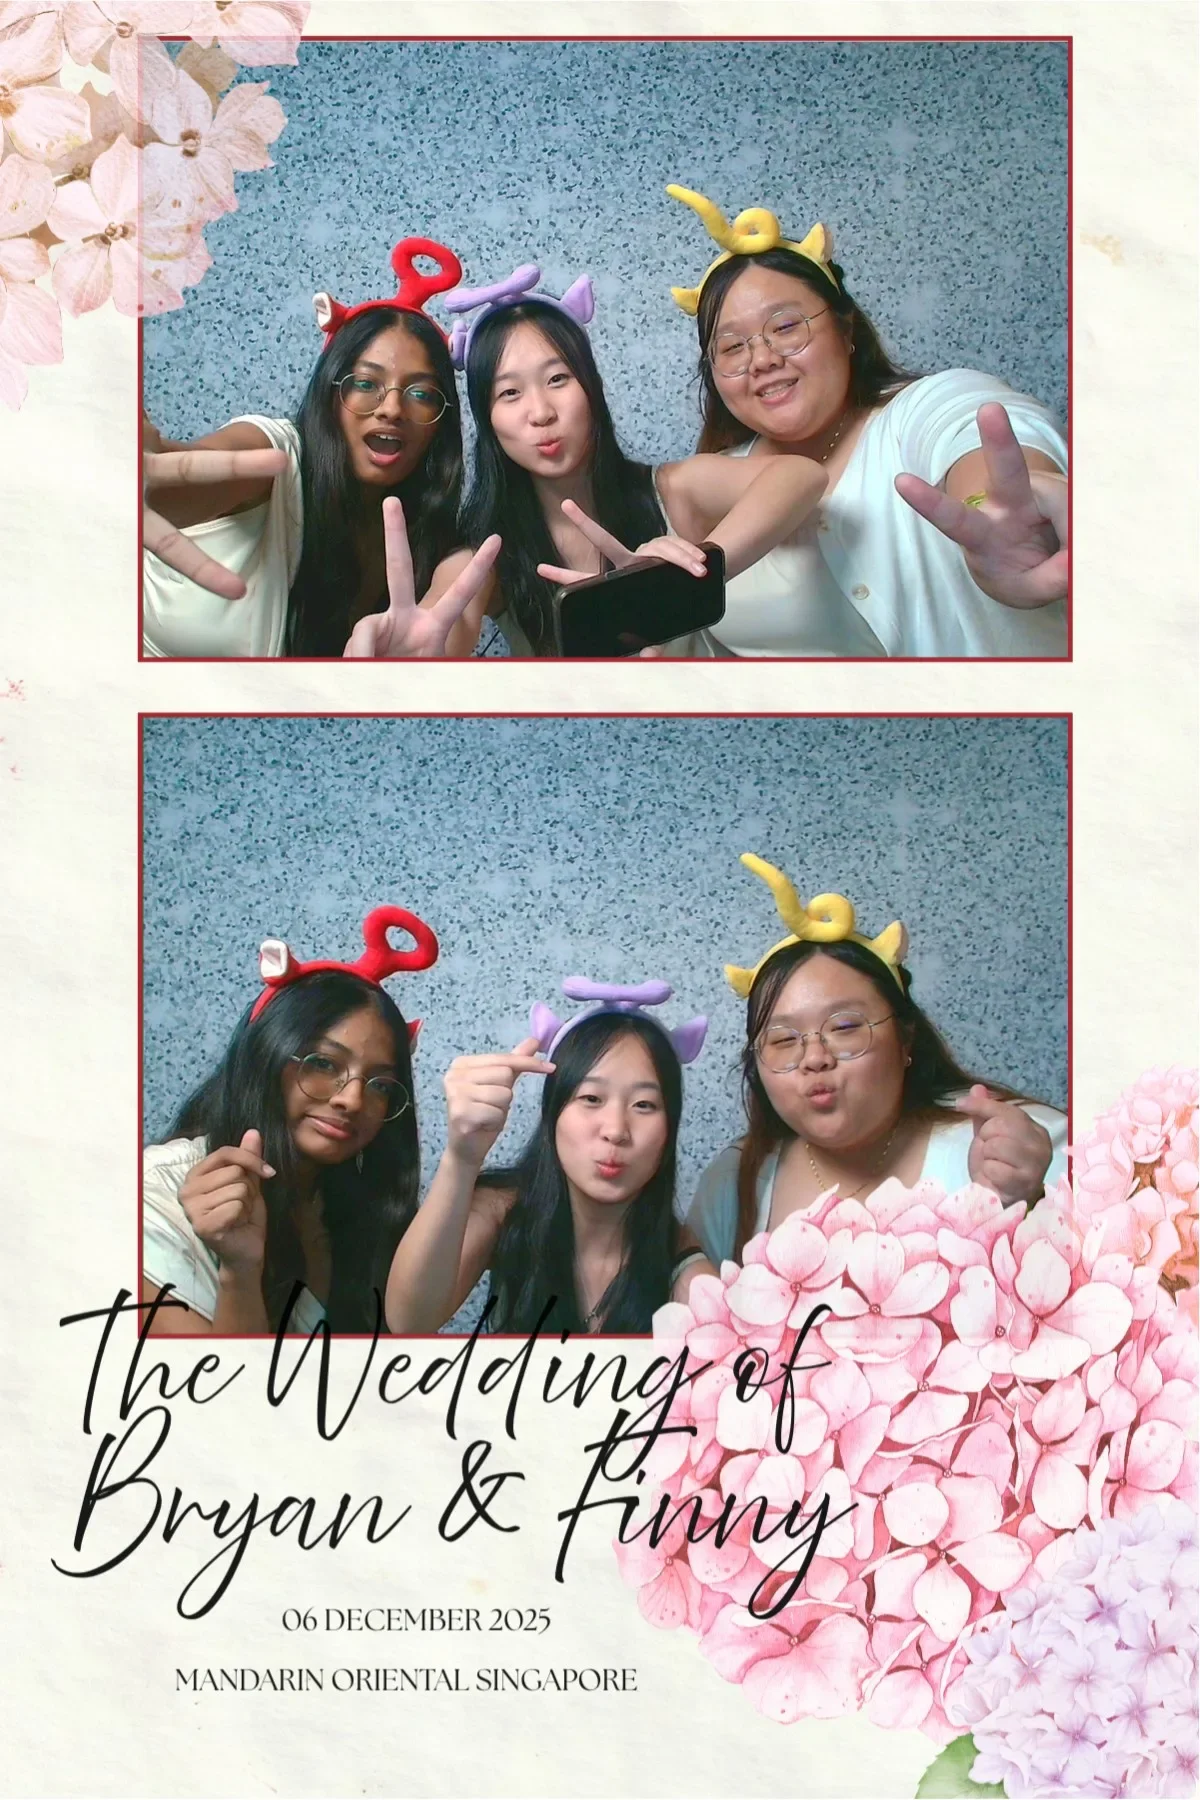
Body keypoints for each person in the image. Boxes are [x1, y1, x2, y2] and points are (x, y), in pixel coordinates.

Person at [664, 185, 1068, 658]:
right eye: (732, 347)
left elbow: (981, 438)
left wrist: (1000, 510)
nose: (762, 359)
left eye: (786, 327)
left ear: (845, 328)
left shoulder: (922, 409)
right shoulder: (707, 483)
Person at [427, 263, 827, 656]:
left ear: (592, 388)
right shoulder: (485, 554)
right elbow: (439, 630)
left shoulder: (670, 491)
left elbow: (800, 475)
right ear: (487, 419)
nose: (541, 412)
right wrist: (416, 649)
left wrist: (679, 580)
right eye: (509, 393)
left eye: (558, 379)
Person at [684, 856, 1067, 1265]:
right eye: (782, 1039)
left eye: (845, 1027)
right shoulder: (734, 1181)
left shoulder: (1023, 1144)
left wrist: (1026, 1204)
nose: (814, 1057)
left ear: (906, 1040)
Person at [141, 235, 500, 658]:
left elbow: (444, 626)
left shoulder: (440, 544)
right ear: (328, 393)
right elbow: (177, 480)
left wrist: (413, 674)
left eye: (421, 394)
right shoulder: (273, 455)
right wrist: (141, 473)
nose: (391, 408)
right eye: (364, 384)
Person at [141, 906, 438, 1335]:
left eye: (380, 1085)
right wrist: (240, 1272)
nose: (353, 1099)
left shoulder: (360, 1205)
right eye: (322, 1063)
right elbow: (204, 1394)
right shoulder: (156, 1192)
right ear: (264, 1056)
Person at [385, 979, 712, 1333]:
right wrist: (462, 1157)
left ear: (671, 1127)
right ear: (553, 1113)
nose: (616, 1129)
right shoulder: (503, 1210)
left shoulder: (677, 1252)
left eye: (644, 1105)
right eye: (591, 1098)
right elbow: (409, 1323)